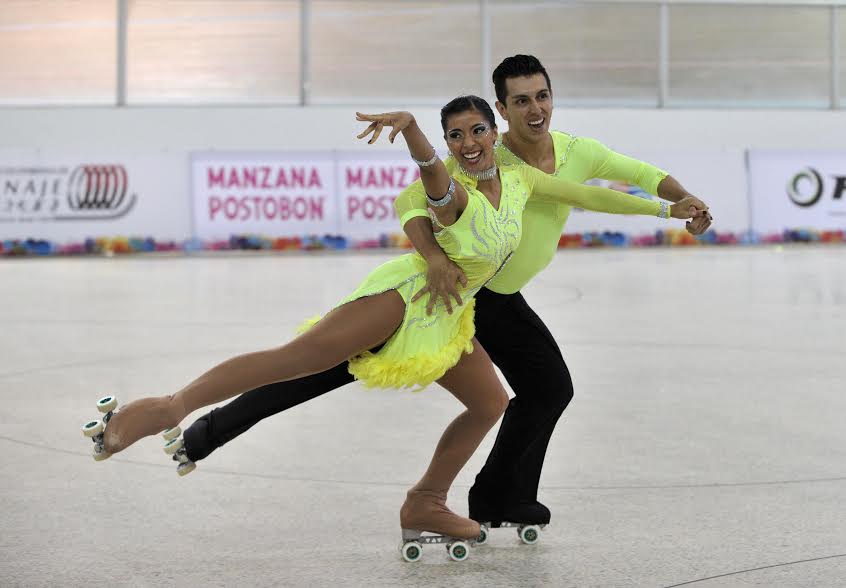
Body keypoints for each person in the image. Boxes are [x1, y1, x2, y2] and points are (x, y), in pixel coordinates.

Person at [83, 96, 701, 548]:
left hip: (452, 318)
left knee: (489, 402)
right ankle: (168, 409)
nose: (469, 142)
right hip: (403, 300)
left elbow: (593, 194)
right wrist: (413, 136)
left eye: (477, 130)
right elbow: (429, 183)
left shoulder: (519, 179)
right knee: (295, 361)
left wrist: (670, 208)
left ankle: (426, 502)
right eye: (456, 134)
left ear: (494, 130)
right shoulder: (451, 181)